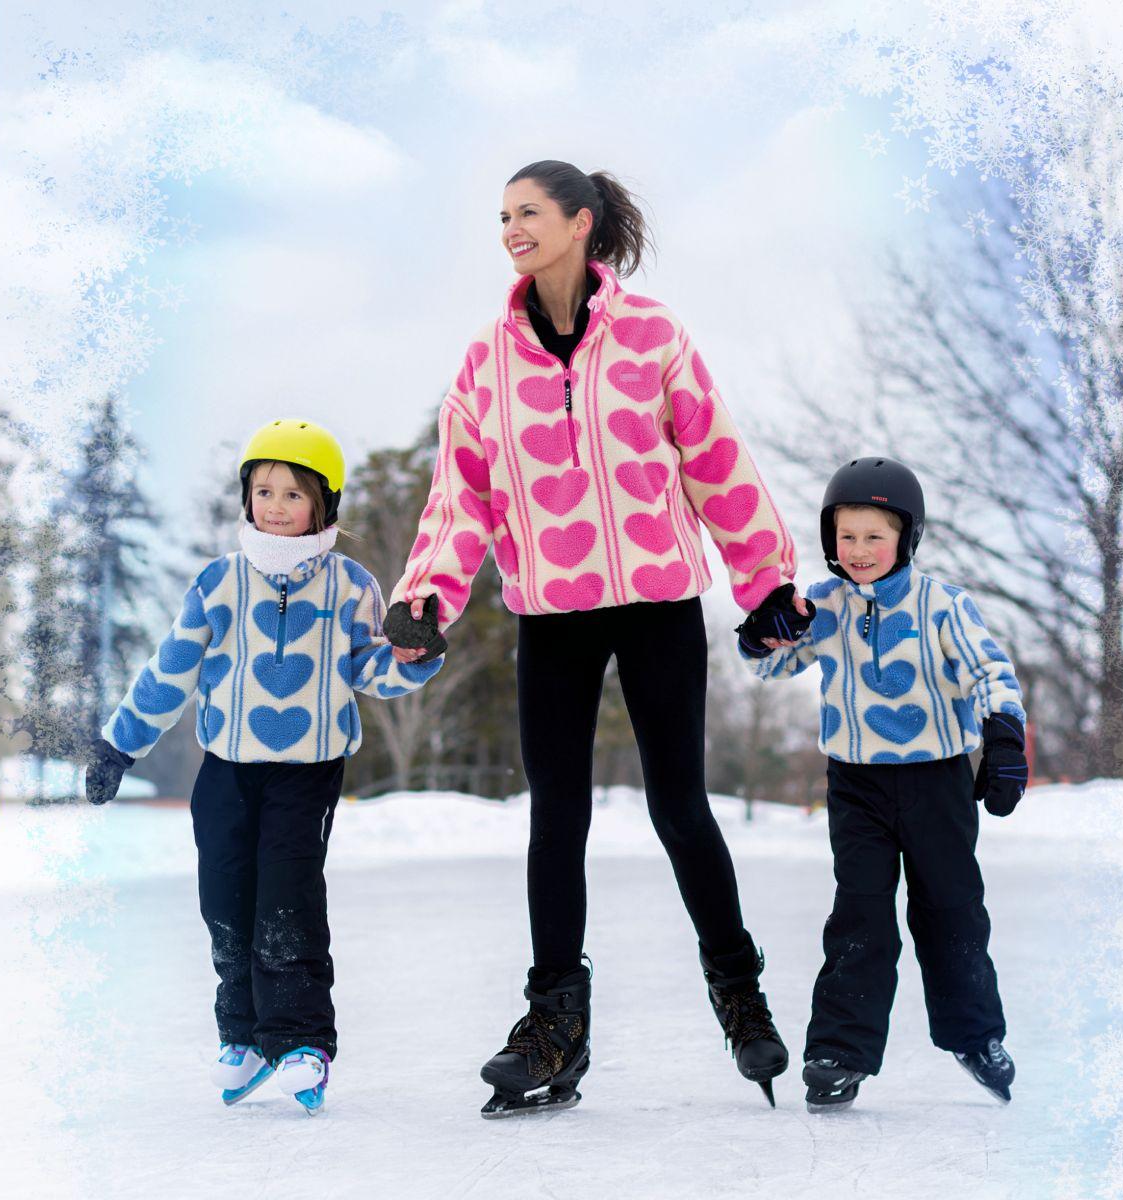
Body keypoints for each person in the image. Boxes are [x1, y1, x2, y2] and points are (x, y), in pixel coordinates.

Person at [385, 159, 807, 1116]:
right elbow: (463, 494)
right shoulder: (486, 361)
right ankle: (554, 1027)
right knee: (557, 817)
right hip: (552, 612)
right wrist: (427, 595)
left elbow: (716, 461)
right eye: (502, 215)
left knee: (679, 807)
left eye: (529, 212)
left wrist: (767, 581)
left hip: (658, 601)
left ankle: (740, 994)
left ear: (580, 222)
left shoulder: (652, 335)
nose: (511, 229)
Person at [84, 418, 444, 1114]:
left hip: (307, 772)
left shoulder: (351, 586)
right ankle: (243, 1036)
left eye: (294, 493)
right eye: (264, 491)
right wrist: (120, 743)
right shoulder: (219, 582)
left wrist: (415, 657)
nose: (276, 506)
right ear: (246, 498)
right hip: (226, 771)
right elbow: (171, 669)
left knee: (288, 899)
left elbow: (371, 671)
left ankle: (301, 1040)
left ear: (323, 504)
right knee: (224, 902)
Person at [737, 456, 1028, 1111]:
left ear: (907, 537)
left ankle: (976, 1035)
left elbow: (990, 672)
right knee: (860, 915)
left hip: (937, 782)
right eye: (846, 536)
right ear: (829, 539)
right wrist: (762, 632)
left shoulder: (942, 605)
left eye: (874, 535)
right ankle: (839, 1051)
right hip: (856, 786)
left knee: (952, 911)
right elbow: (771, 667)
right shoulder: (824, 604)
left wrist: (1004, 738)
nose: (859, 550)